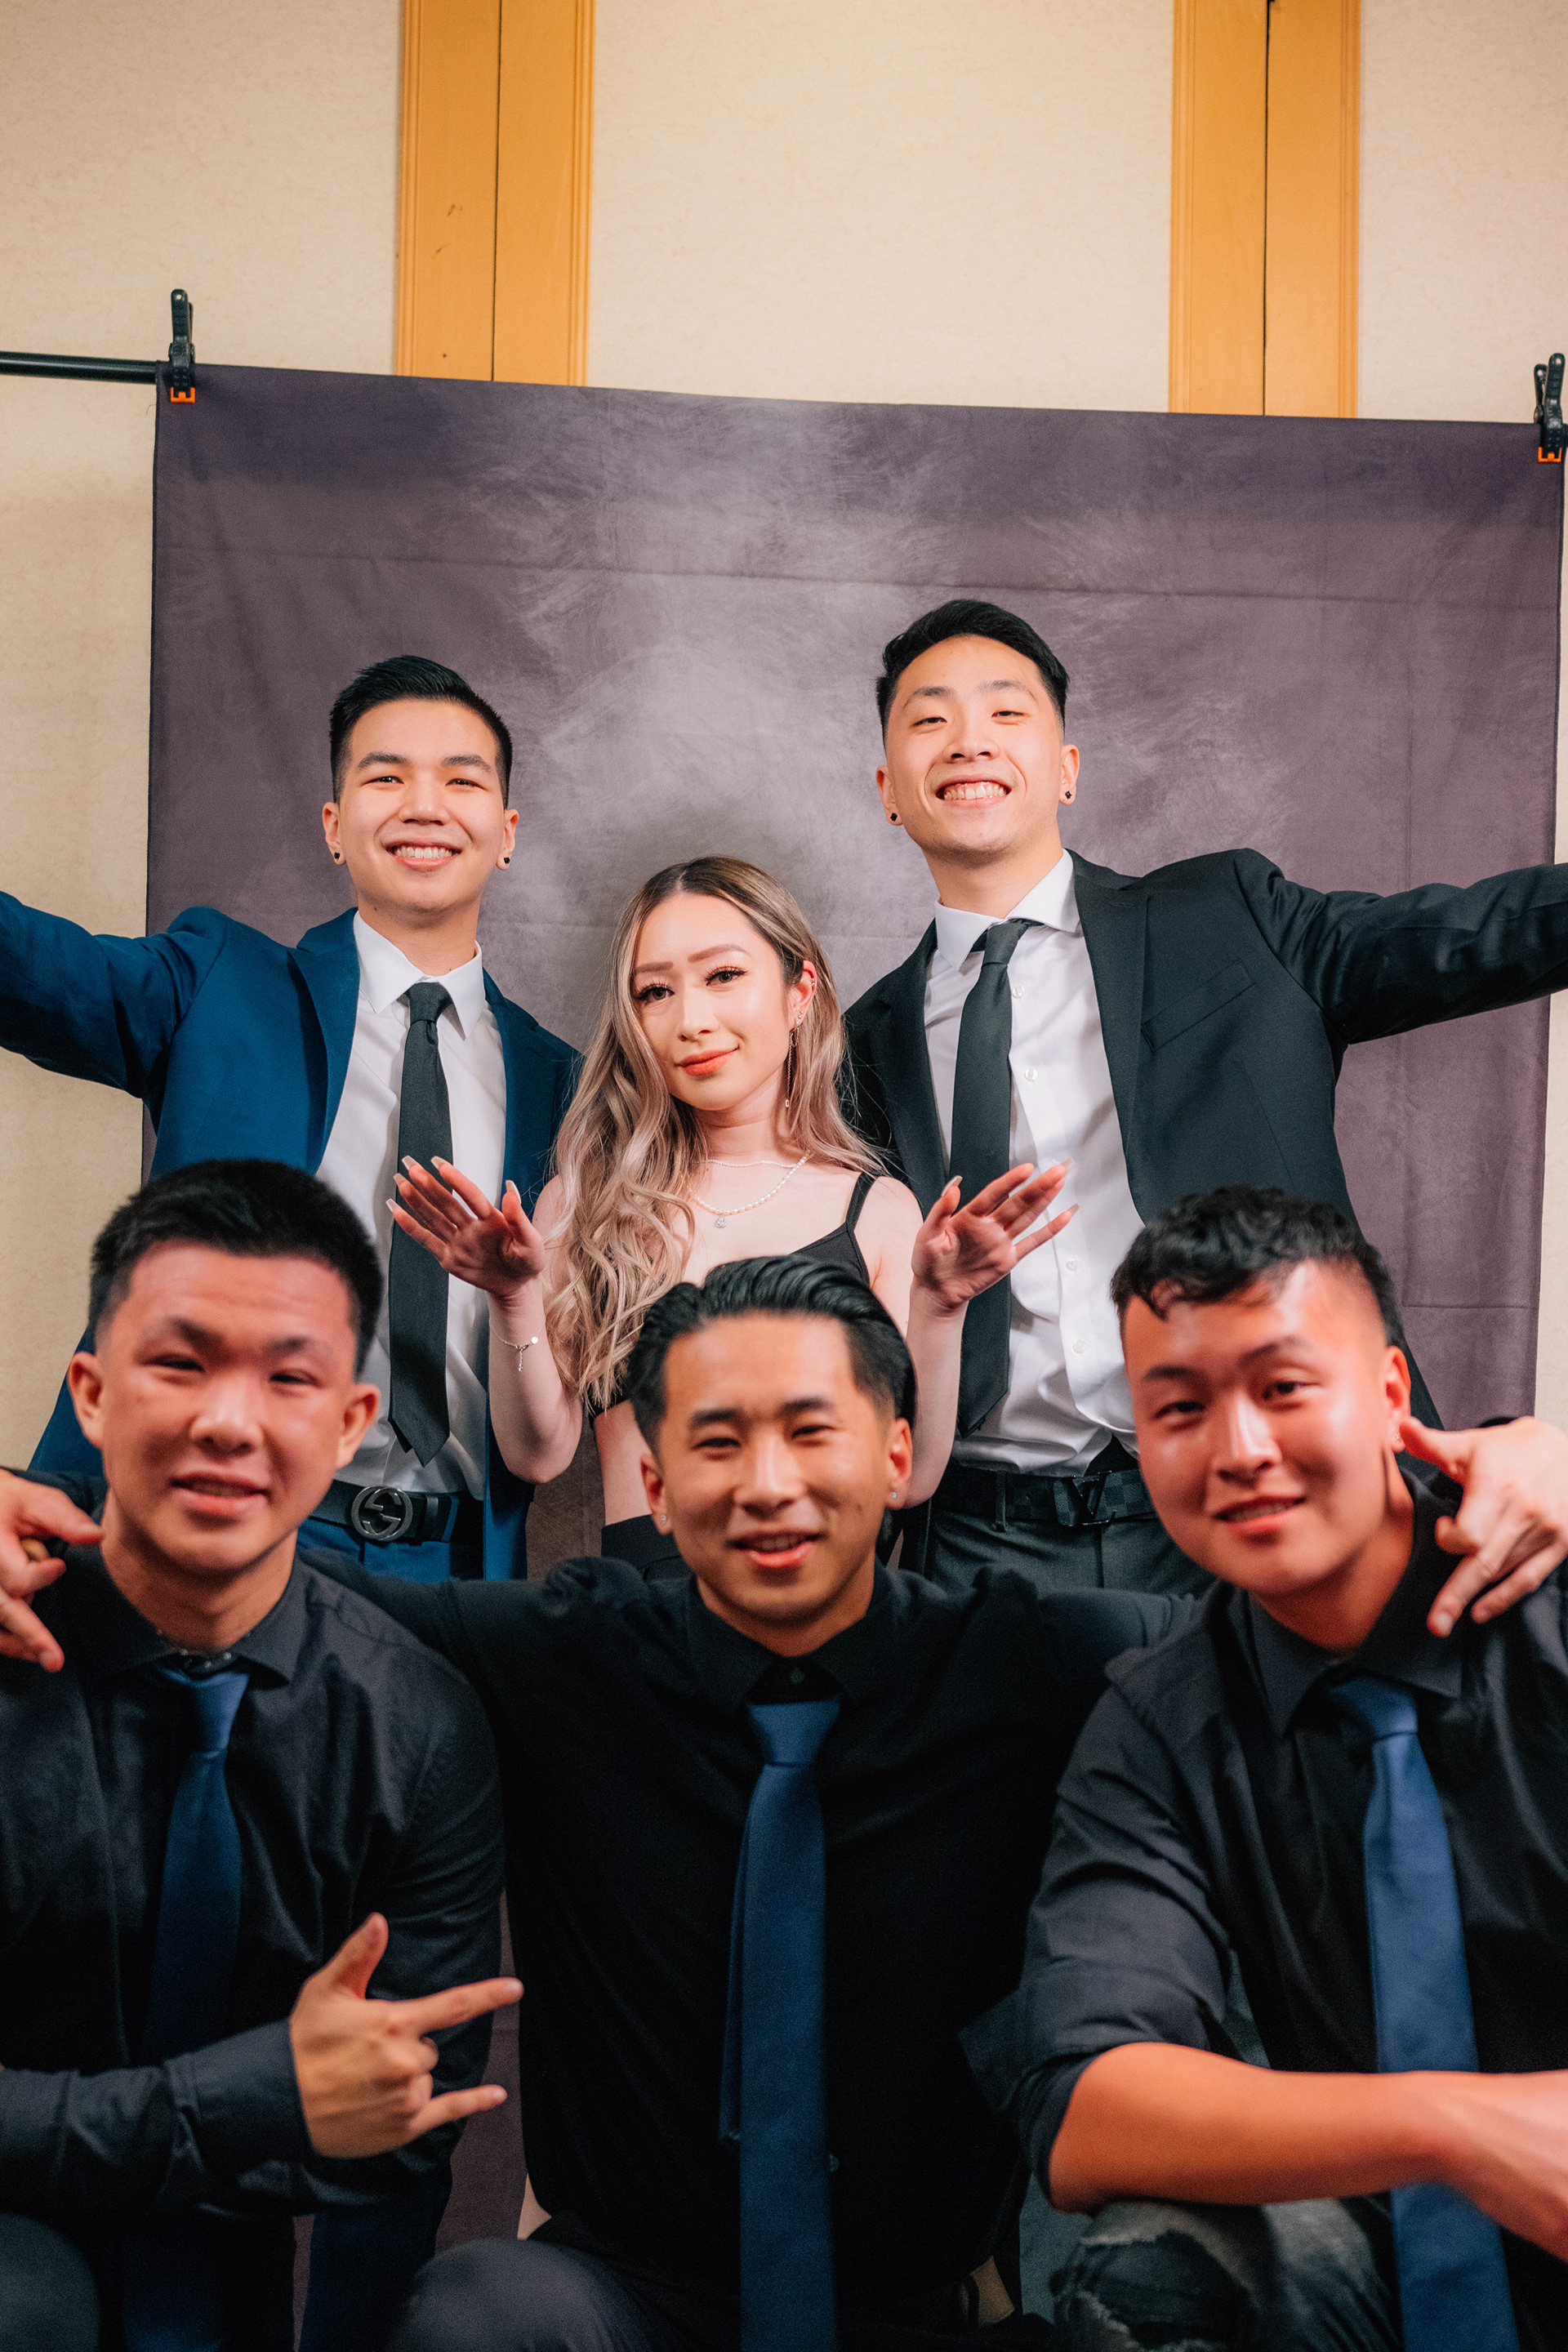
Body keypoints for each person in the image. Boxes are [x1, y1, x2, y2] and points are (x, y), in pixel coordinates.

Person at [0, 1256, 1542, 2351]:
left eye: (811, 1431)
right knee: (478, 2314)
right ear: (654, 1482)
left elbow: (1303, 1580)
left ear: (897, 1450)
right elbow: (250, 1571)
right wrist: (33, 1513)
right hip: (622, 2293)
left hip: (941, 2302)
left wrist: (1536, 1455)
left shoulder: (1055, 1658)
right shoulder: (550, 1655)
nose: (767, 1484)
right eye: (717, 1442)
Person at [842, 599, 1568, 1599]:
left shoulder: (1228, 917)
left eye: (1006, 712)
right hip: (978, 1540)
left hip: (1259, 1493)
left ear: (1067, 768)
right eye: (930, 719)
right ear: (889, 789)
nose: (969, 739)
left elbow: (1469, 936)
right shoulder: (859, 1046)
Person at [964, 1187, 1568, 2352]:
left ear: (1390, 1393)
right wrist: (1460, 2130)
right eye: (1179, 1408)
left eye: (1284, 1388)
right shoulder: (1161, 1722)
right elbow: (1086, 2105)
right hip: (1380, 2253)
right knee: (1156, 2270)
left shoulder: (1553, 1600)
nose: (1240, 1452)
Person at [0, 1158, 518, 2352]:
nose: (227, 1422)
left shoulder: (415, 1727)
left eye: (288, 1378)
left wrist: (76, 2126)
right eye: (180, 1364)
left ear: (351, 1424)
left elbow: (399, 2127)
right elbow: (320, 2114)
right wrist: (259, 2098)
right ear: (91, 1394)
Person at [1, 655, 577, 1583]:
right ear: (334, 827)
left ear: (505, 832)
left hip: (460, 1569)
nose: (424, 806)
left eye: (462, 781)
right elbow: (30, 967)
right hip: (218, 1527)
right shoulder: (218, 985)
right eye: (385, 778)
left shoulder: (566, 1086)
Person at [390, 855, 1071, 1575]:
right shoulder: (582, 1202)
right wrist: (512, 1298)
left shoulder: (878, 1212)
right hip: (642, 1616)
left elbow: (912, 1478)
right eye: (656, 991)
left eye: (723, 976)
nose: (692, 1020)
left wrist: (941, 1305)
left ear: (800, 992)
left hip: (821, 1613)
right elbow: (538, 1455)